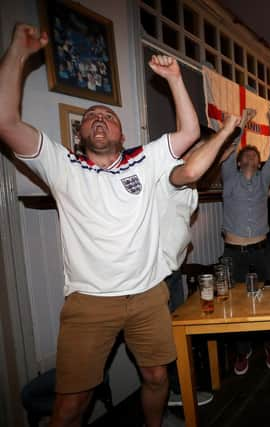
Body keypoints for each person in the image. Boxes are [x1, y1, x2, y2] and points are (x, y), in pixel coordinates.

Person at [0, 24, 201, 427]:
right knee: (72, 405)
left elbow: (190, 133)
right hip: (89, 304)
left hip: (147, 296)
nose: (98, 119)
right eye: (90, 116)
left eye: (107, 115)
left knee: (157, 376)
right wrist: (18, 55)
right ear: (79, 136)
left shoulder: (144, 160)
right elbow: (6, 123)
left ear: (121, 133)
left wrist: (176, 79)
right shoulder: (63, 167)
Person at [162, 113, 242, 408]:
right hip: (155, 276)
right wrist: (226, 131)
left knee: (174, 340)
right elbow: (195, 170)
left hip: (171, 270)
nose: (212, 159)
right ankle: (174, 395)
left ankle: (179, 392)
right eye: (207, 150)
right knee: (166, 343)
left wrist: (226, 150)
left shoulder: (187, 178)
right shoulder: (172, 172)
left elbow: (204, 169)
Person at [220, 109, 270, 375]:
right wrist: (241, 126)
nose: (250, 157)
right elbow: (225, 153)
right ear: (238, 162)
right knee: (235, 302)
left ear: (259, 164)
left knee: (268, 300)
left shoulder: (263, 179)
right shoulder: (229, 176)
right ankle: (243, 349)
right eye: (246, 155)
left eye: (255, 156)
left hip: (261, 250)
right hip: (233, 252)